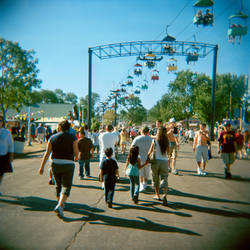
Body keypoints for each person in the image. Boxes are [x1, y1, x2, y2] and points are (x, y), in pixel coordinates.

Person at [39, 120, 79, 218]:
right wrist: (76, 157)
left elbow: (47, 153)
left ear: (60, 127)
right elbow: (76, 153)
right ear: (68, 128)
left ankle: (59, 205)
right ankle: (60, 206)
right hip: (68, 163)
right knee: (66, 186)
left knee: (58, 185)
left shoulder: (52, 137)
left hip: (55, 163)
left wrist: (42, 167)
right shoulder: (73, 137)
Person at [147, 127, 169, 206]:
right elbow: (168, 153)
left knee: (155, 178)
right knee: (164, 178)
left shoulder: (155, 140)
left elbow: (150, 151)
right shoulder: (167, 141)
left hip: (156, 161)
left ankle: (157, 195)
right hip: (165, 161)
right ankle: (165, 195)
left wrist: (146, 158)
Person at [131, 126, 152, 192]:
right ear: (148, 131)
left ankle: (141, 185)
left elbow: (132, 147)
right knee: (147, 172)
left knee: (140, 172)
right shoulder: (151, 139)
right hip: (148, 158)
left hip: (139, 157)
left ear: (141, 131)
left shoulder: (137, 138)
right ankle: (145, 184)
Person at [0, 115, 14, 195]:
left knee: (1, 173)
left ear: (2, 123)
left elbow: (10, 145)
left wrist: (11, 155)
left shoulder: (6, 132)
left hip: (3, 155)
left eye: (0, 121)